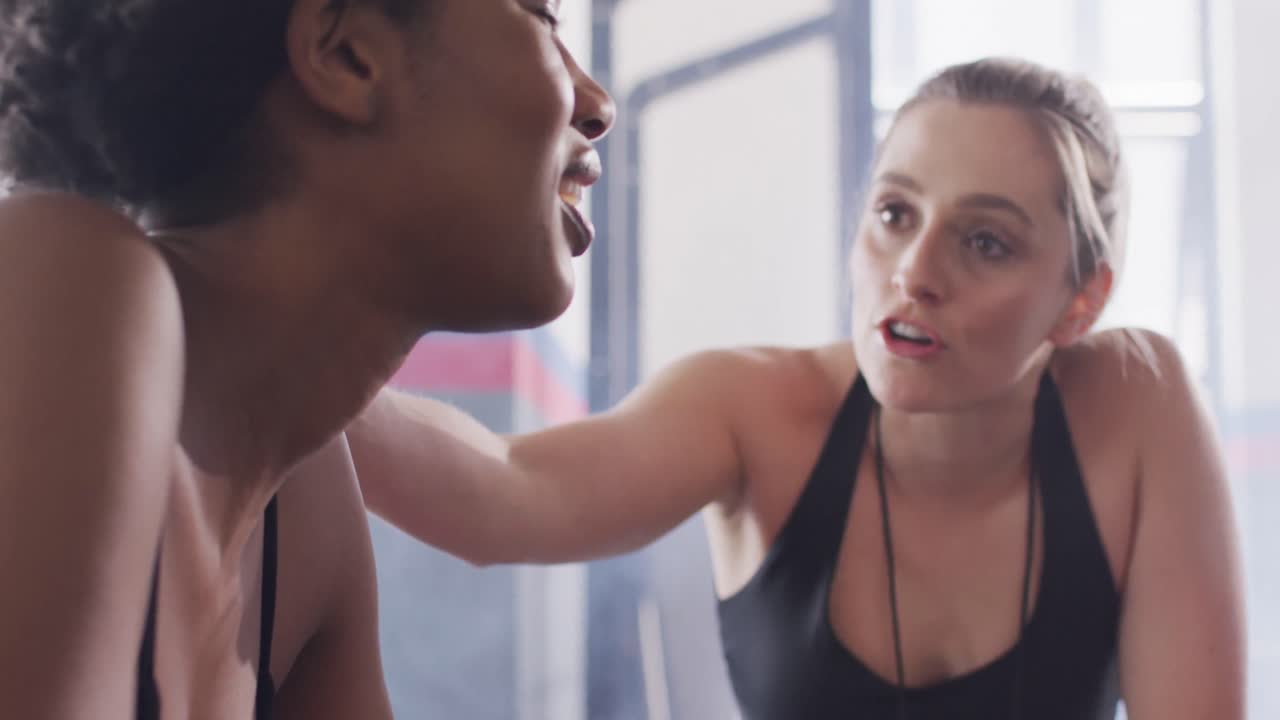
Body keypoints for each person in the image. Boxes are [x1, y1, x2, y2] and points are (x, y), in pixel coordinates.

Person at [349, 57, 1246, 719]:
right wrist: (277, 346)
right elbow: (505, 494)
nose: (915, 273)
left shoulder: (1134, 404)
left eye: (987, 242)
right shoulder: (754, 408)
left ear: (1079, 301)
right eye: (895, 214)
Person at [0, 0, 614, 717]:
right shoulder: (66, 281)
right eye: (540, 16)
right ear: (345, 52)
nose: (596, 104)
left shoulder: (308, 511)